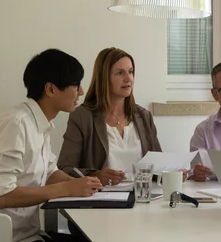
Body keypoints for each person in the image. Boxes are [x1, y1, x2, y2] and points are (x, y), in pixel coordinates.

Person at [0, 49, 102, 242]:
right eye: (76, 85)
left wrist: (88, 186)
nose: (81, 91)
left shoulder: (40, 124)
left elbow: (50, 173)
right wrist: (67, 188)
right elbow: (1, 195)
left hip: (28, 234)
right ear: (51, 89)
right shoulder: (15, 123)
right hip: (3, 238)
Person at [58, 47, 164, 185]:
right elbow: (64, 169)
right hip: (100, 200)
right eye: (120, 73)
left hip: (141, 199)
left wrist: (175, 173)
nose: (128, 79)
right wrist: (96, 175)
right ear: (104, 78)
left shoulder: (144, 117)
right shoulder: (82, 117)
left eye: (130, 72)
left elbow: (159, 167)